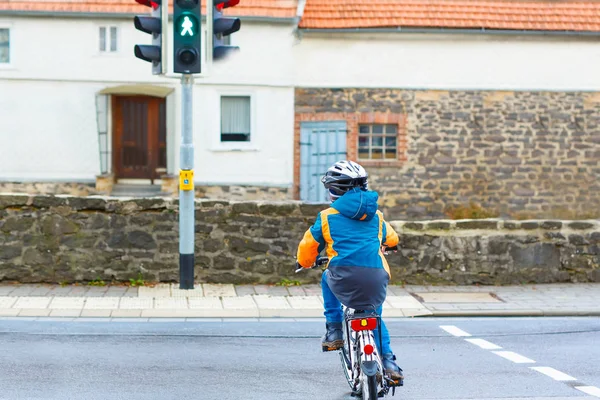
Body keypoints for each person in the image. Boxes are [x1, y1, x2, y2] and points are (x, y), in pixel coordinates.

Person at [295, 160, 404, 382]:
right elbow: (392, 239)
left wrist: (305, 263)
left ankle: (334, 329)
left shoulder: (327, 216)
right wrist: (388, 245)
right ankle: (390, 362)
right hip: (375, 276)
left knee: (327, 277)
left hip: (342, 277)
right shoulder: (377, 216)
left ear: (335, 191)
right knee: (376, 315)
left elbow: (308, 248)